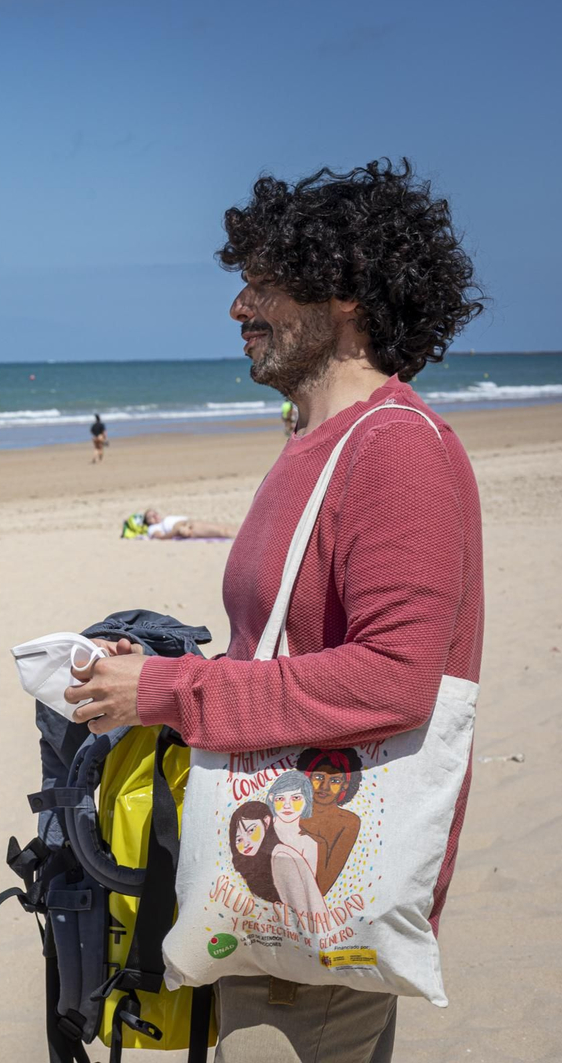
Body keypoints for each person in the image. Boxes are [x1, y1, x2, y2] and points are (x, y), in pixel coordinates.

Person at [64, 159, 485, 1062]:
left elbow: (396, 676)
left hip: (318, 926)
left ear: (342, 297)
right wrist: (154, 657)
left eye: (261, 283)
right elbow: (284, 642)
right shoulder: (311, 443)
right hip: (256, 889)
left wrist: (174, 692)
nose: (238, 308)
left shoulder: (396, 451)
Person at [264, 771, 330, 928]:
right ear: (272, 799)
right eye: (281, 798)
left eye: (296, 798)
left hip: (295, 923)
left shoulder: (310, 843)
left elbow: (305, 892)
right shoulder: (260, 831)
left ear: (307, 800)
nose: (287, 805)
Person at [296, 747, 364, 893]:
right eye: (319, 777)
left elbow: (322, 887)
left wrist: (318, 842)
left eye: (335, 780)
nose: (324, 787)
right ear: (307, 778)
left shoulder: (349, 822)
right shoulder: (289, 812)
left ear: (345, 785)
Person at [230, 800, 282, 904]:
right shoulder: (244, 869)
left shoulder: (281, 855)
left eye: (251, 830)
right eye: (239, 840)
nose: (246, 843)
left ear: (266, 822)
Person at [142, 508, 238, 540]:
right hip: (189, 528)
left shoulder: (164, 520)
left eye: (155, 513)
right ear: (148, 522)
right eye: (151, 516)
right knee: (223, 532)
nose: (155, 516)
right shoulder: (153, 528)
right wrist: (177, 531)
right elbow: (161, 538)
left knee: (226, 527)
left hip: (191, 523)